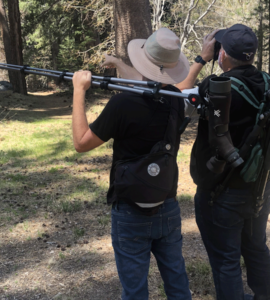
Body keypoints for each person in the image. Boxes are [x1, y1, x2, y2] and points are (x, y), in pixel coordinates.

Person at [72, 27, 192, 300]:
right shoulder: (175, 101)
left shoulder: (122, 105)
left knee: (135, 291)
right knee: (178, 284)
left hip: (130, 212)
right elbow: (143, 83)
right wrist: (117, 64)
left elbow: (81, 142)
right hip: (167, 206)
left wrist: (79, 90)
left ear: (144, 60)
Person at [176, 24, 270, 300]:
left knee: (226, 261)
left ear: (223, 54)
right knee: (256, 248)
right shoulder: (267, 82)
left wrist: (201, 59)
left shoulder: (216, 86)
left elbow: (178, 99)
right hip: (259, 188)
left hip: (221, 192)